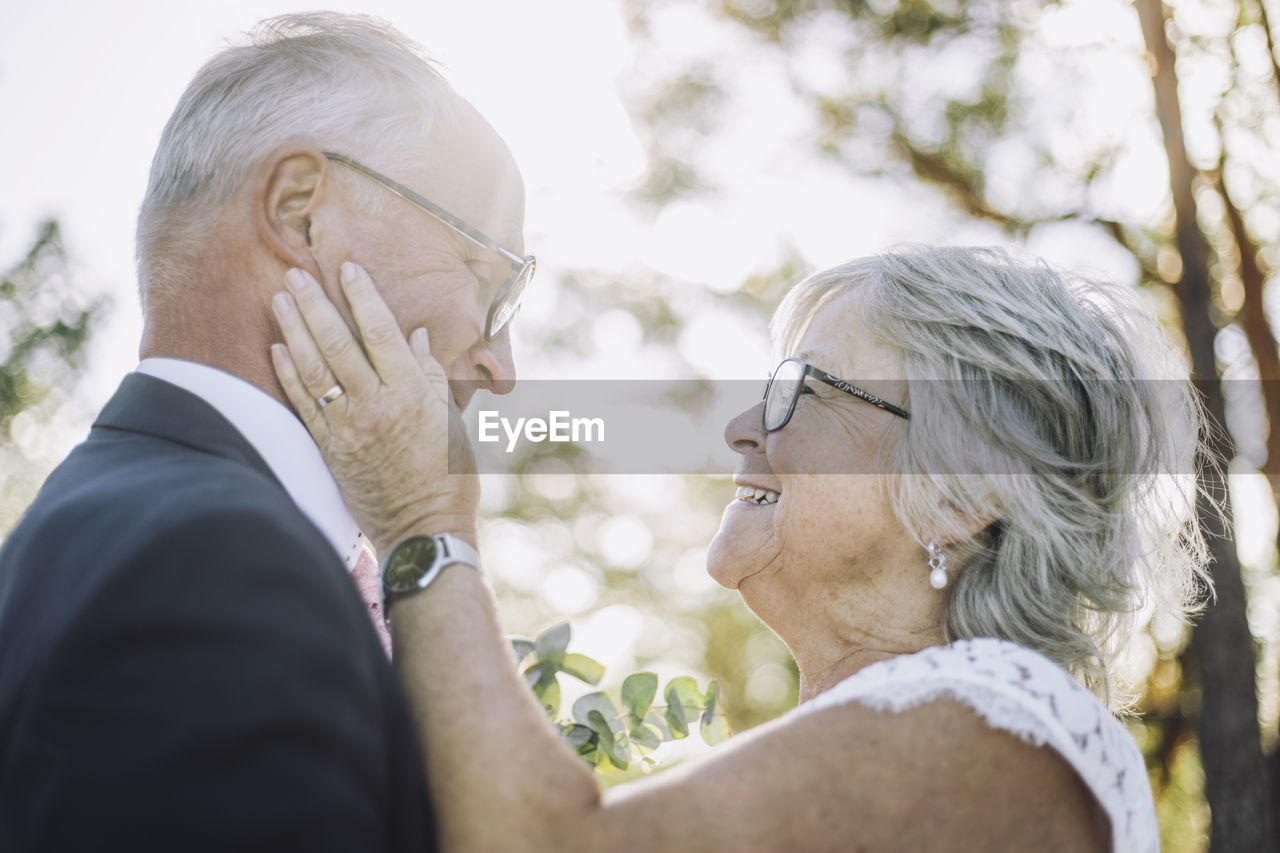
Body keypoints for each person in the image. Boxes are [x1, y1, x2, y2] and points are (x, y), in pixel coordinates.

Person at [271, 245, 1207, 852]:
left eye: (804, 388)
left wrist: (424, 524)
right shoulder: (905, 740)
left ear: (961, 493)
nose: (743, 427)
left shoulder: (1002, 725)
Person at [0, 13, 528, 851]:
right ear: (300, 214)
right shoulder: (212, 560)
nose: (502, 366)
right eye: (484, 277)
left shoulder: (103, 519)